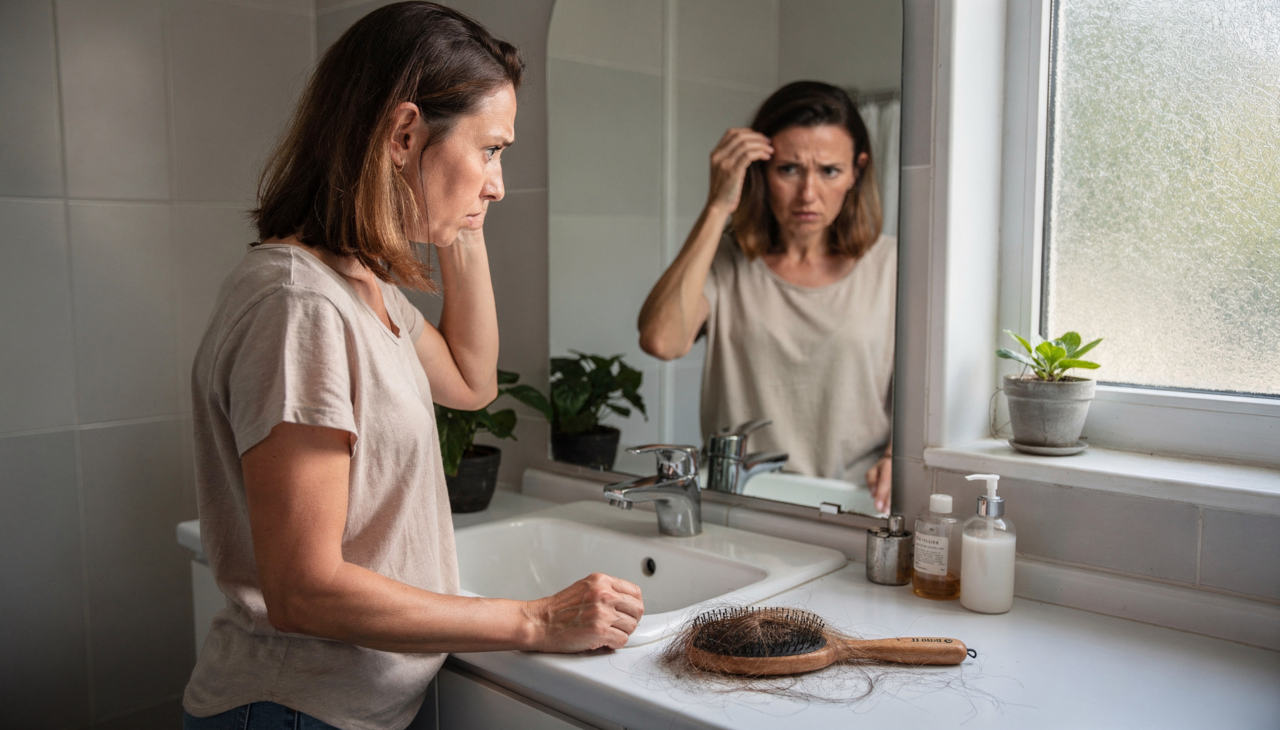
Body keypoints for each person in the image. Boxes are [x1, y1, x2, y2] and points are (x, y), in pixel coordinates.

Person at [182, 5, 643, 729]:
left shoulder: (363, 286)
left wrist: (459, 214)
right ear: (403, 134)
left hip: (354, 706)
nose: (499, 183)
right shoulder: (301, 306)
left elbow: (470, 378)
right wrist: (533, 621)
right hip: (294, 711)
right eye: (491, 150)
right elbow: (304, 589)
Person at [638, 81, 895, 513]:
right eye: (789, 169)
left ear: (857, 170)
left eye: (829, 170)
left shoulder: (893, 266)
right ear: (760, 169)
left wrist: (895, 458)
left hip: (852, 508)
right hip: (740, 509)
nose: (808, 194)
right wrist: (718, 205)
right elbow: (662, 341)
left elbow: (923, 400)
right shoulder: (726, 260)